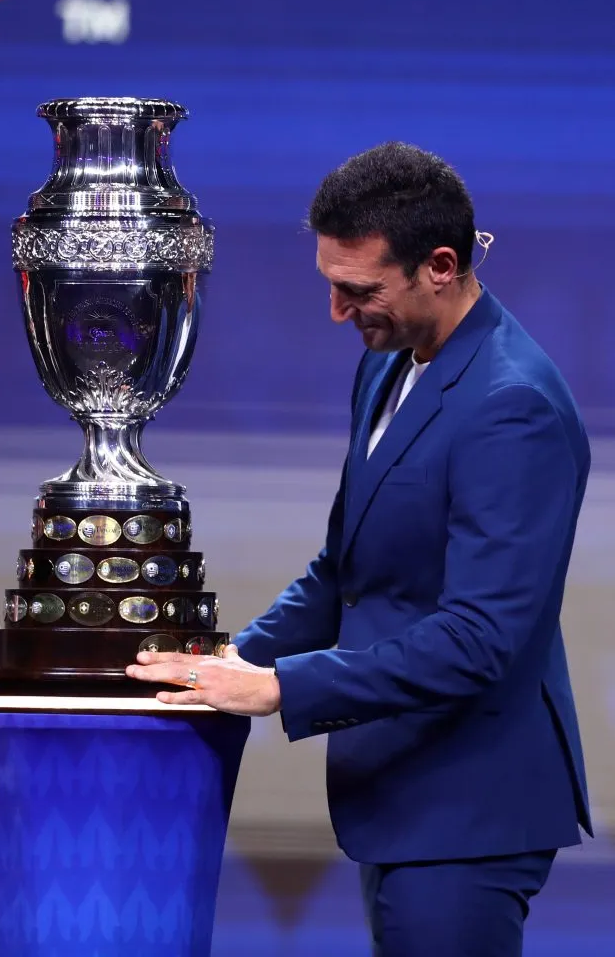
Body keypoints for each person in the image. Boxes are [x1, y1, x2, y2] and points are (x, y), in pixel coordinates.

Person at [127, 142, 592, 956]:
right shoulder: (389, 367)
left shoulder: (510, 406)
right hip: (402, 792)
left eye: (360, 290)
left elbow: (480, 638)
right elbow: (343, 570)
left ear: (439, 266)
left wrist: (281, 687)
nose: (338, 313)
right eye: (331, 286)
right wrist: (227, 661)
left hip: (468, 808)